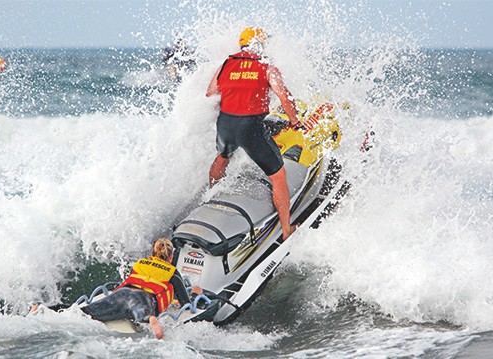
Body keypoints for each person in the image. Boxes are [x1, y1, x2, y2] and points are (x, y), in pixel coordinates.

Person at [205, 26, 301, 240]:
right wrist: (294, 120)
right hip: (250, 128)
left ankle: (209, 196)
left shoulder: (226, 64)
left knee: (222, 157)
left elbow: (210, 94)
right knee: (278, 175)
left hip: (226, 124)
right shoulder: (266, 67)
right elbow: (284, 97)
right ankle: (287, 229)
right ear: (260, 44)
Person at [32, 238, 202, 340]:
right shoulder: (172, 272)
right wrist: (195, 293)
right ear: (171, 257)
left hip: (121, 294)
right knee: (140, 314)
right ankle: (150, 319)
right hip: (143, 299)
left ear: (153, 253)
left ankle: (45, 308)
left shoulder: (141, 263)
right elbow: (187, 304)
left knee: (83, 312)